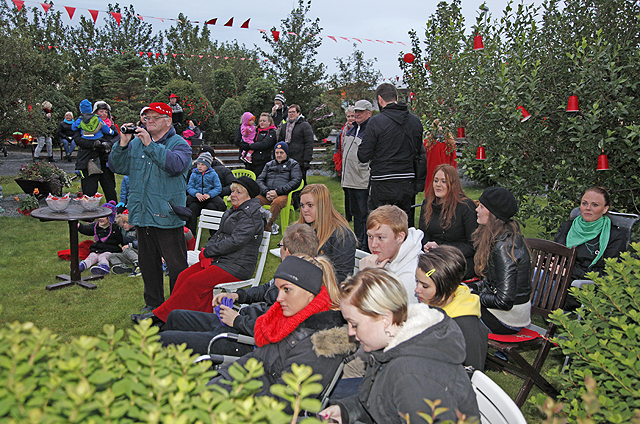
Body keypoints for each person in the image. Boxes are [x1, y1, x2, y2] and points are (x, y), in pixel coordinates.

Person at [320, 268, 479, 424]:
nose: (350, 332)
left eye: (354, 324)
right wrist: (347, 411)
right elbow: (383, 402)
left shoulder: (413, 375)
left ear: (385, 319)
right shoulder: (396, 348)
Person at [209, 255, 357, 414]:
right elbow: (255, 360)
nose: (279, 298)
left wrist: (230, 402)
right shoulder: (286, 321)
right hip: (246, 395)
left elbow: (280, 406)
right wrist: (219, 383)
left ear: (310, 292)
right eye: (279, 289)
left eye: (287, 289)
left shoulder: (321, 344)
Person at [159, 223, 320, 355]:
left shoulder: (299, 288)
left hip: (244, 341)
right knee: (175, 316)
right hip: (240, 323)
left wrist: (236, 320)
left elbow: (274, 330)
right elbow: (266, 289)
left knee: (164, 339)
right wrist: (237, 296)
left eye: (281, 245)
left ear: (288, 252)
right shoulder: (293, 273)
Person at [131, 177, 267, 324]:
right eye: (232, 190)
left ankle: (160, 319)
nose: (232, 194)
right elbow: (218, 235)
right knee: (183, 276)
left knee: (194, 282)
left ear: (249, 197)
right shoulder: (234, 211)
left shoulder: (251, 216)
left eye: (238, 192)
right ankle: (182, 317)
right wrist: (208, 250)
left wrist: (208, 252)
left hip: (237, 267)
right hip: (222, 261)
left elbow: (235, 242)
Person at [109, 102, 192, 312]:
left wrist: (151, 145)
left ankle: (177, 308)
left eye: (155, 117)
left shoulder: (180, 144)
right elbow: (117, 166)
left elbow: (175, 166)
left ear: (168, 121)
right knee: (148, 265)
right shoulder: (136, 144)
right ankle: (153, 305)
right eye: (146, 118)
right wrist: (122, 143)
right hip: (142, 214)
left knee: (176, 267)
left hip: (166, 214)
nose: (149, 121)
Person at [357, 83, 425, 225]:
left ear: (380, 100)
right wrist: (419, 183)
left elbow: (363, 155)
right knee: (403, 225)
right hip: (406, 181)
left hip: (382, 181)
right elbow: (420, 154)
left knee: (380, 224)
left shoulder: (376, 122)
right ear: (397, 97)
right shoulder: (415, 121)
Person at [415, 246, 488, 371]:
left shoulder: (465, 327)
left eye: (425, 286)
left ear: (445, 287)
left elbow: (471, 372)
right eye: (417, 281)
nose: (417, 289)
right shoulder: (435, 305)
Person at [470, 187, 532, 334]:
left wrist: (474, 296)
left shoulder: (504, 247)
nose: (477, 210)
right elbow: (493, 283)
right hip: (505, 312)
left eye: (482, 206)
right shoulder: (500, 236)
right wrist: (470, 288)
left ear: (493, 214)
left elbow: (503, 301)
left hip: (508, 319)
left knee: (455, 312)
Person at [554, 186, 626, 309]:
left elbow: (609, 274)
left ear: (605, 209)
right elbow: (555, 254)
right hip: (556, 275)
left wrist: (568, 271)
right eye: (584, 203)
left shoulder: (614, 237)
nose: (588, 208)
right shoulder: (567, 227)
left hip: (583, 287)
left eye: (595, 205)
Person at [418, 164, 478, 280]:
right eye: (436, 181)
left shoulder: (465, 207)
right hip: (433, 257)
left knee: (434, 276)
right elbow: (423, 234)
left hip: (458, 259)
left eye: (443, 181)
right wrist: (426, 245)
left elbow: (473, 245)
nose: (438, 185)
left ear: (452, 184)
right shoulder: (428, 203)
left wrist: (441, 248)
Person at [358, 205, 423, 303]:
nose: (374, 244)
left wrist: (368, 278)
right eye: (370, 236)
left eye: (380, 237)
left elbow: (376, 312)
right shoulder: (388, 257)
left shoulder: (411, 276)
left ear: (400, 237)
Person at [298, 183, 357, 283]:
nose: (304, 210)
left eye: (310, 205)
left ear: (323, 206)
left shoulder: (342, 236)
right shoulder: (304, 228)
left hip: (326, 292)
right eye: (302, 205)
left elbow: (342, 279)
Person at [341, 100, 372, 250]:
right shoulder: (352, 130)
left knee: (364, 214)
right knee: (355, 214)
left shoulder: (370, 130)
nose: (357, 114)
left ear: (369, 113)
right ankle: (358, 242)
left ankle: (366, 245)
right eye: (356, 111)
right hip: (348, 180)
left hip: (361, 181)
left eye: (361, 111)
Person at [73, 100, 118, 202]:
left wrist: (108, 144)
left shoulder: (110, 125)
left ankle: (113, 213)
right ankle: (89, 216)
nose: (104, 114)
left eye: (106, 112)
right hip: (89, 160)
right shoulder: (84, 122)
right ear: (95, 112)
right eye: (101, 111)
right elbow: (78, 139)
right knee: (89, 191)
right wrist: (93, 144)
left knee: (110, 189)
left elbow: (117, 137)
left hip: (105, 160)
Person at [257, 141, 303, 235]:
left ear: (286, 153)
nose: (279, 155)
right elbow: (259, 180)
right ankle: (256, 225)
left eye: (281, 152)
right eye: (276, 153)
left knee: (277, 203)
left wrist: (278, 192)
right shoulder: (269, 164)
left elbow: (296, 181)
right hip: (267, 195)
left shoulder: (293, 164)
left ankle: (267, 228)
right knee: (254, 201)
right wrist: (266, 192)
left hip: (284, 196)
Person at [77, 201, 122, 275]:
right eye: (99, 216)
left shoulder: (115, 228)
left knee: (103, 257)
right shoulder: (96, 226)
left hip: (110, 249)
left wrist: (125, 245)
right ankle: (81, 266)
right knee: (91, 257)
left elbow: (121, 238)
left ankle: (104, 267)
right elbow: (87, 229)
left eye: (103, 217)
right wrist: (79, 226)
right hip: (98, 249)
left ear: (110, 218)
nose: (100, 218)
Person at [185, 152, 222, 234]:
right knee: (191, 208)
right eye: (198, 164)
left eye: (203, 164)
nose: (200, 166)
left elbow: (218, 188)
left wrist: (209, 194)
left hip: (209, 198)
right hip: (197, 197)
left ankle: (214, 235)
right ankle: (191, 235)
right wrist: (196, 194)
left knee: (214, 207)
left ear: (208, 165)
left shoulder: (213, 174)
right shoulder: (193, 174)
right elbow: (189, 187)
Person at [277, 104, 314, 184]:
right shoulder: (284, 126)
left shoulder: (305, 125)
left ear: (298, 113)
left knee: (300, 183)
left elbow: (309, 144)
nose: (291, 114)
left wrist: (306, 160)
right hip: (286, 160)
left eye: (293, 112)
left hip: (299, 160)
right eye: (289, 112)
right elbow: (280, 142)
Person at [234, 113, 278, 178]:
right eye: (260, 121)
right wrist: (243, 144)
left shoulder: (272, 132)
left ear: (269, 122)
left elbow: (264, 144)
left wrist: (249, 146)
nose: (262, 123)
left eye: (264, 121)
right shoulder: (255, 130)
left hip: (262, 162)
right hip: (250, 162)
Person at [193, 145, 234, 212]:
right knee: (192, 207)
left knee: (212, 207)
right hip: (197, 199)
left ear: (212, 158)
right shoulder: (192, 170)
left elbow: (232, 186)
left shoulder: (223, 170)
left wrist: (215, 192)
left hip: (215, 199)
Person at [333, 106, 356, 223]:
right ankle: (348, 216)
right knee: (347, 192)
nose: (351, 118)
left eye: (352, 116)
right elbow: (337, 149)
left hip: (356, 167)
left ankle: (356, 214)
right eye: (348, 116)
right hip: (345, 166)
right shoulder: (342, 133)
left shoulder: (360, 130)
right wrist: (339, 166)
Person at [424, 119, 457, 193]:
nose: (440, 128)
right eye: (438, 125)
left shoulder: (449, 143)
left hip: (446, 173)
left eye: (442, 126)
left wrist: (453, 174)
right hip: (431, 173)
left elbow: (454, 160)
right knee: (431, 193)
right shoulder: (428, 143)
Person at [109, 209, 140, 277]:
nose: (124, 224)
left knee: (126, 250)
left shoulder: (139, 230)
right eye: (123, 222)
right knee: (112, 256)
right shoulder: (123, 229)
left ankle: (138, 265)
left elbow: (143, 243)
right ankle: (121, 266)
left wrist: (130, 245)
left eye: (127, 222)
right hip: (130, 254)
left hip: (140, 252)